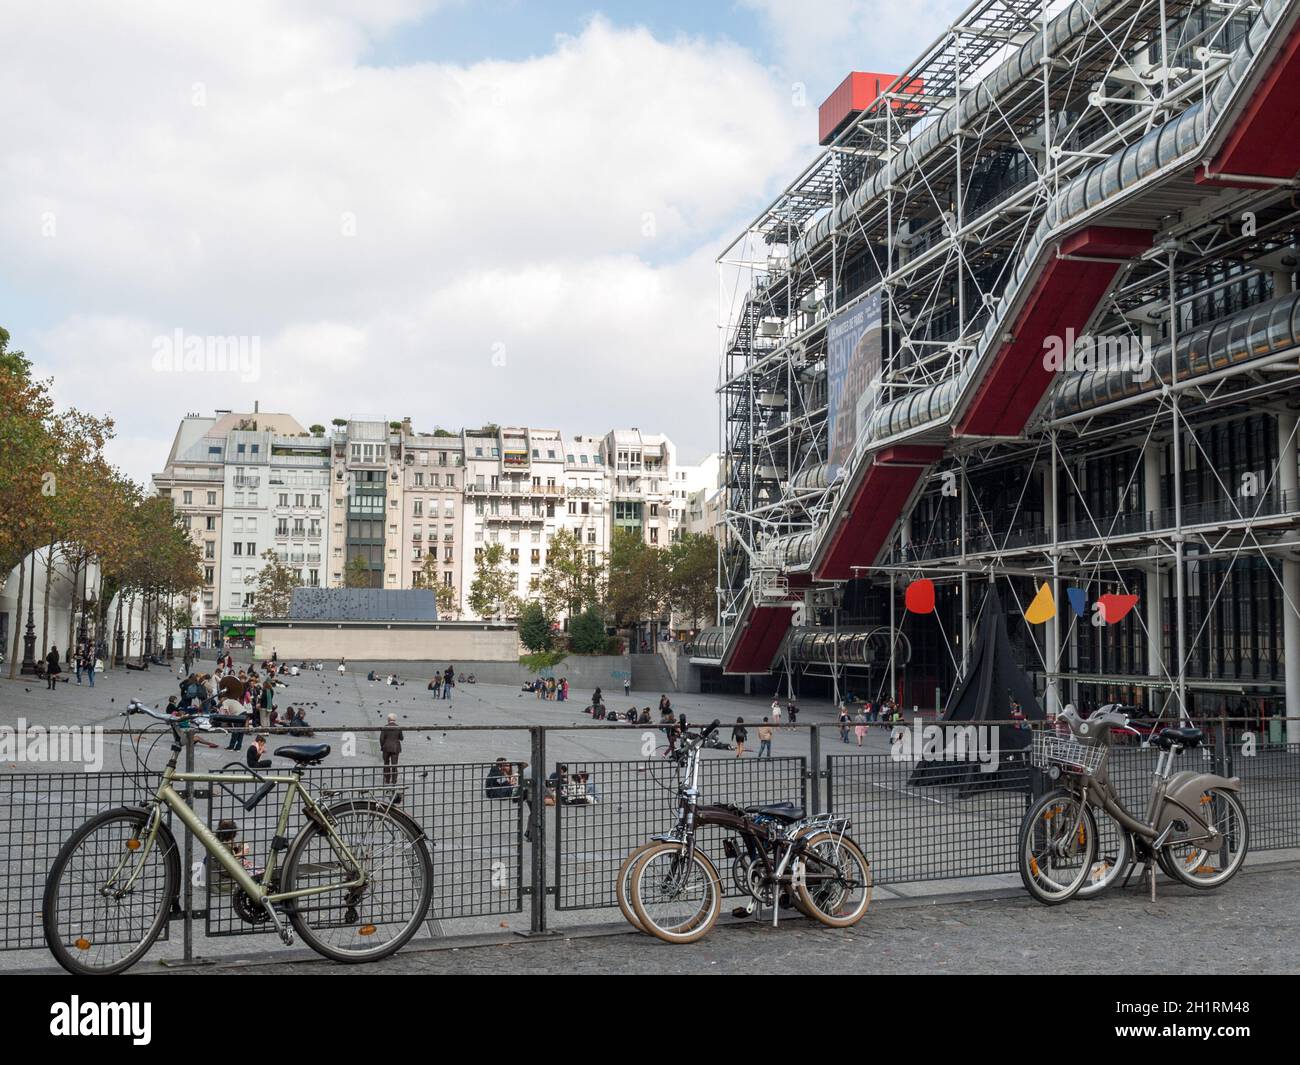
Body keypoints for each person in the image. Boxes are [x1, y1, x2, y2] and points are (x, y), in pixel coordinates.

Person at [380, 713, 403, 786]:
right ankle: (394, 780)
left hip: (386, 747)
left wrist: (382, 746)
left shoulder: (384, 727)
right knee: (394, 764)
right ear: (395, 720)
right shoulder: (398, 727)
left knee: (386, 763)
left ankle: (387, 780)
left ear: (388, 719)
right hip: (395, 748)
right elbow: (401, 738)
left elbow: (381, 738)